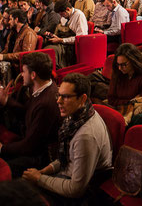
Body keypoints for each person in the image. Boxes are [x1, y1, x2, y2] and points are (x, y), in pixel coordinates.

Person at [22, 74, 112, 203]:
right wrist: (46, 170)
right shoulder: (80, 113)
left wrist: (39, 179)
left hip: (85, 190)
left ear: (82, 98)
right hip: (68, 173)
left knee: (24, 195)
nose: (58, 101)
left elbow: (76, 189)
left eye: (65, 97)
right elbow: (69, 155)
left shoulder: (85, 136)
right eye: (58, 95)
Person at [0, 52, 61, 178]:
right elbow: (28, 112)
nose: (21, 75)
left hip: (41, 157)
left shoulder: (46, 103)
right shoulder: (43, 88)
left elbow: (30, 146)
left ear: (33, 75)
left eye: (23, 71)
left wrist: (1, 148)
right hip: (31, 145)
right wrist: (5, 101)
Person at [107, 43, 142, 108]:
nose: (120, 68)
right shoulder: (118, 73)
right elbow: (111, 100)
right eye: (118, 64)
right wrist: (130, 102)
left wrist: (122, 102)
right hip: (118, 110)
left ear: (133, 61)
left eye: (124, 64)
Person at [44, 0, 88, 69]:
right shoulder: (65, 17)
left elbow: (81, 38)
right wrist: (55, 36)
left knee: (51, 50)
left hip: (71, 46)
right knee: (46, 44)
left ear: (68, 9)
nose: (62, 17)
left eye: (62, 14)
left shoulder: (79, 15)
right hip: (63, 41)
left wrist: (61, 40)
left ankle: (56, 70)